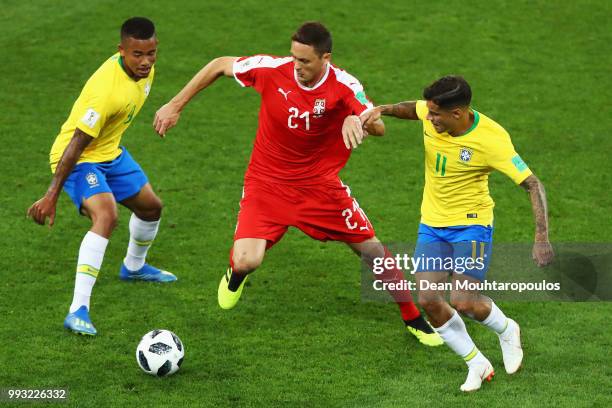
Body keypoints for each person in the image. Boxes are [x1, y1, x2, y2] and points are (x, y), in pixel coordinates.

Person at [154, 21, 442, 346]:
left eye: (304, 61)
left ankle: (414, 318)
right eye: (294, 57)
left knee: (373, 251)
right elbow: (220, 64)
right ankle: (235, 275)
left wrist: (355, 119)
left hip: (319, 188)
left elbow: (378, 127)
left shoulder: (344, 85)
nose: (297, 66)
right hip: (267, 183)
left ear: (325, 58)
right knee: (248, 260)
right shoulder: (272, 70)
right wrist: (175, 104)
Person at [361, 75, 554, 391]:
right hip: (432, 225)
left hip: (472, 225)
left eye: (436, 114)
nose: (429, 117)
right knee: (428, 298)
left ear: (458, 113)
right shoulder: (432, 113)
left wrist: (541, 237)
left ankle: (506, 329)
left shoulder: (491, 140)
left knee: (463, 301)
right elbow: (413, 109)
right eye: (430, 112)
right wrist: (383, 108)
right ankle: (476, 362)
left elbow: (532, 183)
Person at [27, 17, 176, 336]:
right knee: (106, 217)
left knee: (151, 207)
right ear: (121, 50)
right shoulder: (105, 91)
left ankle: (133, 268)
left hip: (109, 152)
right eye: (137, 54)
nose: (146, 61)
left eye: (151, 53)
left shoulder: (145, 70)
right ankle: (77, 309)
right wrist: (51, 195)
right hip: (77, 159)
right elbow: (75, 144)